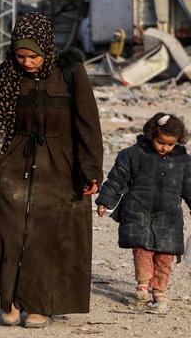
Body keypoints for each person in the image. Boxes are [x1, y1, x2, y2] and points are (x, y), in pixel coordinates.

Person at [0, 12, 103, 329]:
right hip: (15, 162)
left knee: (45, 236)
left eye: (33, 56)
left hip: (61, 165)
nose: (26, 62)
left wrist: (91, 169)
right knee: (6, 231)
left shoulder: (70, 72)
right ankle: (10, 300)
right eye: (20, 55)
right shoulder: (7, 71)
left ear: (47, 50)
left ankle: (39, 304)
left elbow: (88, 124)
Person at [95, 112, 191, 314]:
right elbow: (116, 180)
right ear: (150, 135)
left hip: (169, 217)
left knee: (166, 256)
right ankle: (142, 286)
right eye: (160, 142)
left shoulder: (184, 162)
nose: (164, 147)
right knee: (142, 251)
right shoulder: (133, 155)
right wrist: (105, 200)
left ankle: (159, 290)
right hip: (138, 212)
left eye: (170, 144)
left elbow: (190, 188)